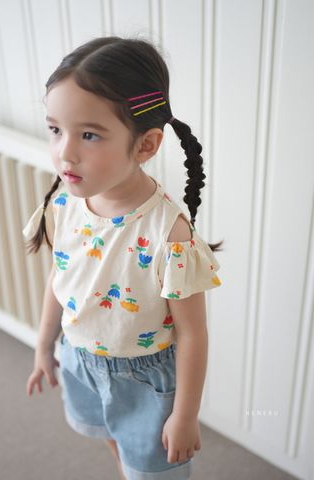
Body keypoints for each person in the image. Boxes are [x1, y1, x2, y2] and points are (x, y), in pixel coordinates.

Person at [23, 35, 224, 480]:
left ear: (146, 145)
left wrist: (185, 415)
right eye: (55, 130)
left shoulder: (169, 234)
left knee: (151, 471)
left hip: (143, 381)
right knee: (112, 441)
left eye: (89, 135)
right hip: (79, 360)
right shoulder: (65, 204)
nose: (64, 152)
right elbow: (61, 278)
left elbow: (193, 334)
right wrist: (43, 345)